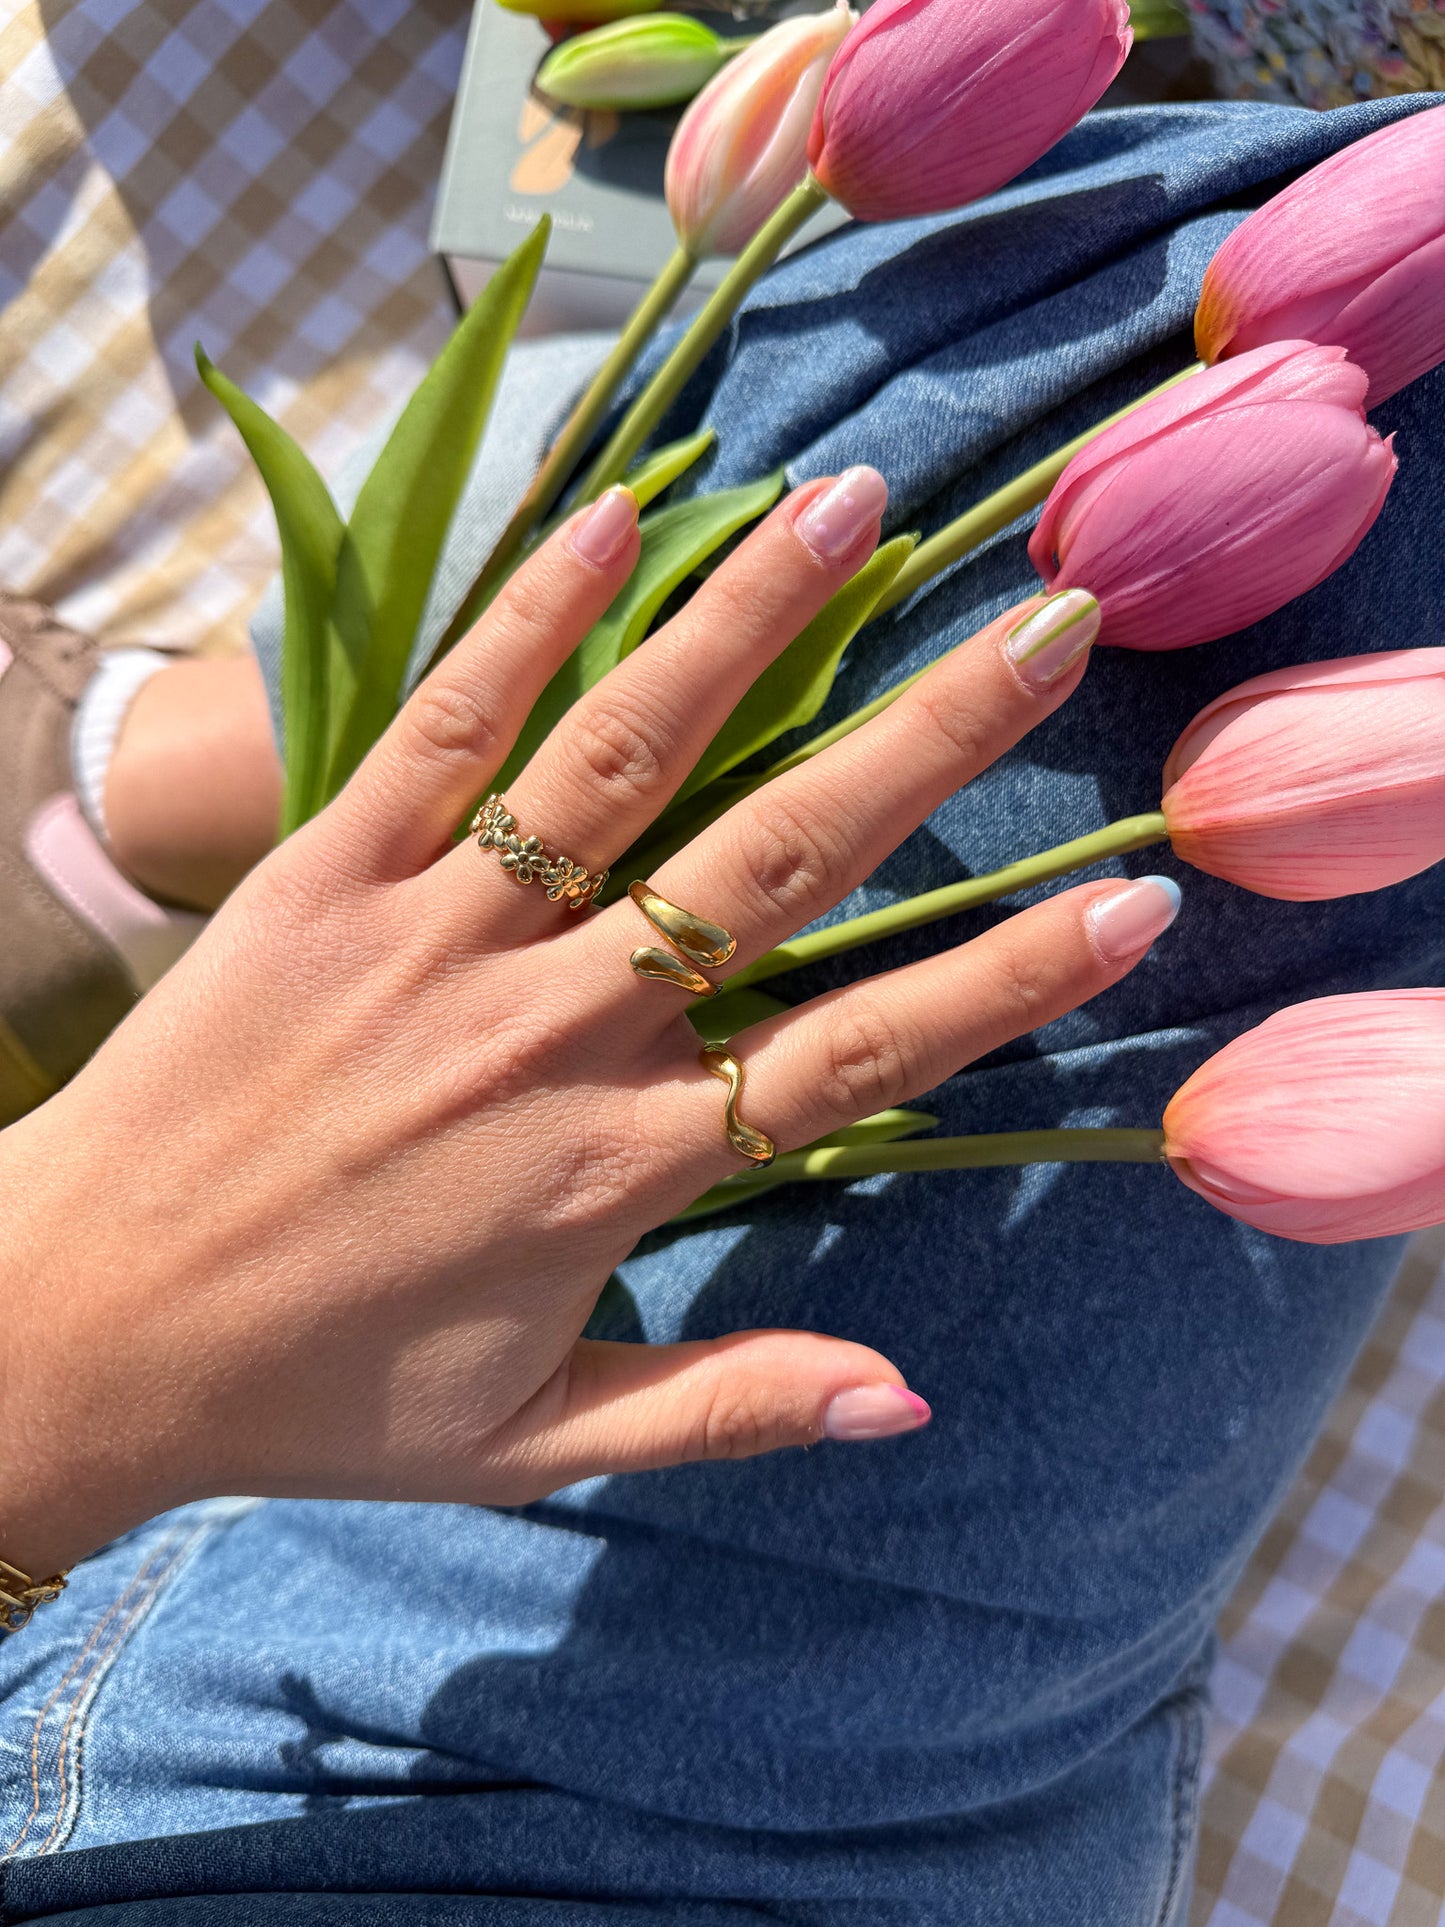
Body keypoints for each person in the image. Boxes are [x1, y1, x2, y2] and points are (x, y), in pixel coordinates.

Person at [0, 89, 1440, 1927]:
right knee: (1283, 413)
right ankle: (162, 819)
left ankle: (163, 810)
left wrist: (51, 1348)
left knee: (1011, 433)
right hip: (588, 1828)